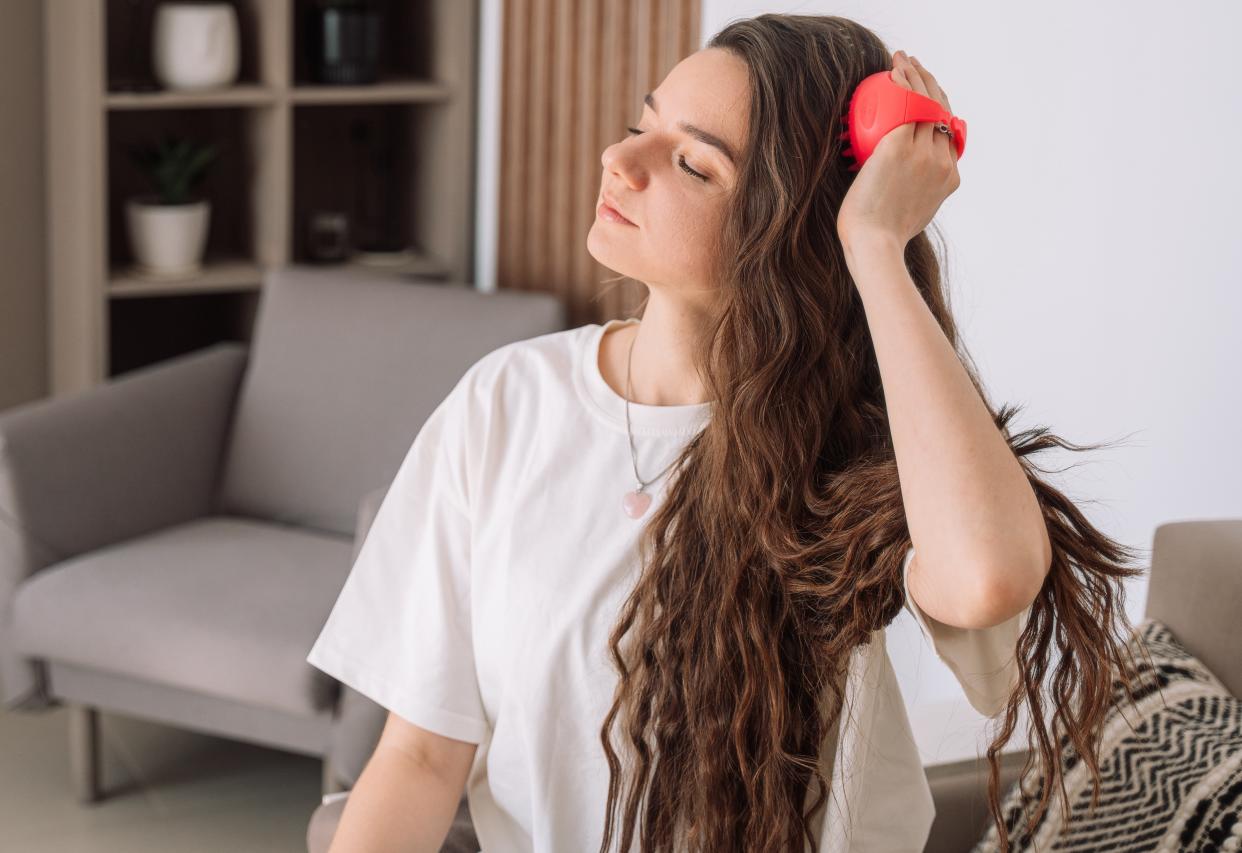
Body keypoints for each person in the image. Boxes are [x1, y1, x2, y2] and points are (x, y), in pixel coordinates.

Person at [307, 13, 1145, 853]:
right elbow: (418, 757)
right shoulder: (504, 404)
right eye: (642, 124)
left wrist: (875, 244)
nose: (619, 161)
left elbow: (986, 578)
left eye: (690, 163)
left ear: (787, 227)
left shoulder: (860, 443)